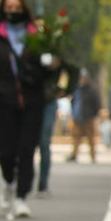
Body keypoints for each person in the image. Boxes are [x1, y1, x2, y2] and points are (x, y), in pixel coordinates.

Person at [0, 0, 51, 219]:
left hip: (32, 102)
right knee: (7, 151)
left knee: (27, 150)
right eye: (8, 7)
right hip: (4, 103)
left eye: (16, 6)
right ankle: (9, 181)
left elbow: (48, 70)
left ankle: (21, 197)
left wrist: (52, 63)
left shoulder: (36, 37)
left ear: (24, 8)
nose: (12, 11)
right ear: (2, 9)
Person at [37, 58, 78, 196]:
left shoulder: (54, 46)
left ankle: (43, 184)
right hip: (28, 99)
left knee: (44, 142)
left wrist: (66, 90)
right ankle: (21, 183)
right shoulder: (27, 47)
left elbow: (73, 69)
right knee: (26, 143)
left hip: (48, 101)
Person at [67, 70, 102, 163]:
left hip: (88, 117)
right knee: (75, 137)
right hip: (77, 117)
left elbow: (97, 103)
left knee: (91, 138)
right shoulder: (76, 89)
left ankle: (93, 156)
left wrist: (94, 114)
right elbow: (72, 101)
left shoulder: (92, 89)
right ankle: (74, 155)